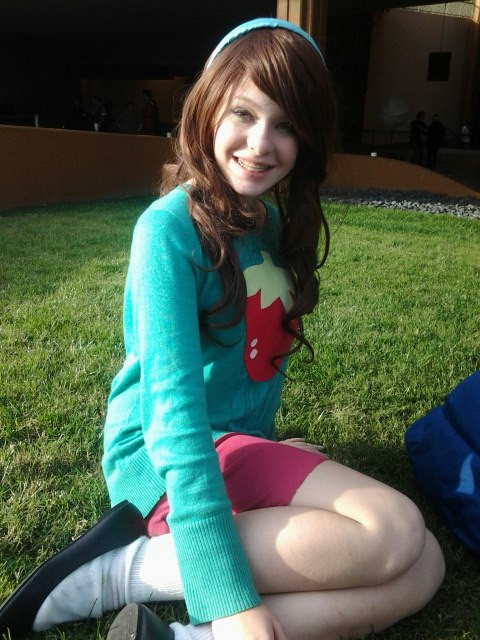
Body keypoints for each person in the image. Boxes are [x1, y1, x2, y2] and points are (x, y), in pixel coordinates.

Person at [0, 18, 445, 640]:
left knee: (424, 564)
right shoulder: (168, 231)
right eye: (244, 113)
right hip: (164, 464)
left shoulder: (270, 225)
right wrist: (226, 592)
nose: (261, 143)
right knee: (393, 531)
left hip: (232, 446)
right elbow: (173, 418)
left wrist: (266, 451)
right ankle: (120, 572)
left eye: (286, 125)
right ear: (207, 109)